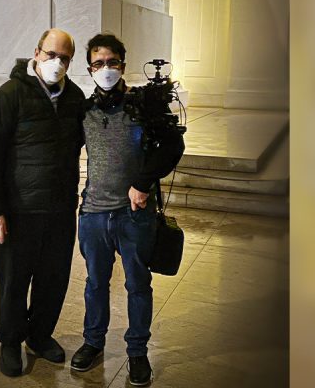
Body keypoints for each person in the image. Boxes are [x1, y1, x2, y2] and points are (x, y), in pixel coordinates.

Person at [70, 33, 184, 387]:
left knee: (137, 284)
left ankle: (137, 351)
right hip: (93, 213)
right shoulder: (84, 111)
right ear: (89, 68)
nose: (106, 69)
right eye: (98, 63)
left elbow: (173, 144)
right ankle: (93, 341)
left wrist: (143, 180)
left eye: (112, 62)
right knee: (95, 283)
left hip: (134, 215)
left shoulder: (143, 106)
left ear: (123, 64)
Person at [0, 28, 86, 377]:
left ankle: (39, 336)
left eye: (64, 58)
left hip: (58, 210)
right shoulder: (9, 96)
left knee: (53, 279)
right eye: (51, 54)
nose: (57, 63)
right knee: (13, 281)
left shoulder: (75, 98)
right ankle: (10, 341)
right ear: (36, 53)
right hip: (18, 211)